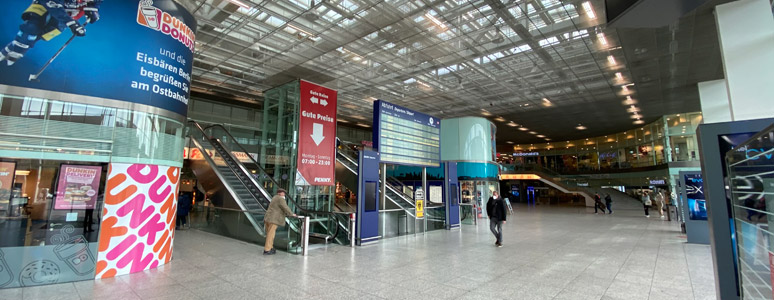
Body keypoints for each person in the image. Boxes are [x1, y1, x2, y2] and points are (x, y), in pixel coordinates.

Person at [0, 0, 101, 66]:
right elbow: (53, 5)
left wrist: (93, 10)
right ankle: (17, 50)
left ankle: (7, 50)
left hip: (66, 14)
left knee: (38, 36)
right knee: (31, 29)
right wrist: (71, 23)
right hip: (46, 6)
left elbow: (95, 3)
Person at [263, 189, 296, 255]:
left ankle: (270, 247)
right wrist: (291, 214)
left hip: (268, 218)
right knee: (271, 235)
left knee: (269, 234)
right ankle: (267, 249)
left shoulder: (274, 197)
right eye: (283, 193)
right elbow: (285, 207)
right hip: (274, 219)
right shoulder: (281, 199)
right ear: (279, 193)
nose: (284, 194)